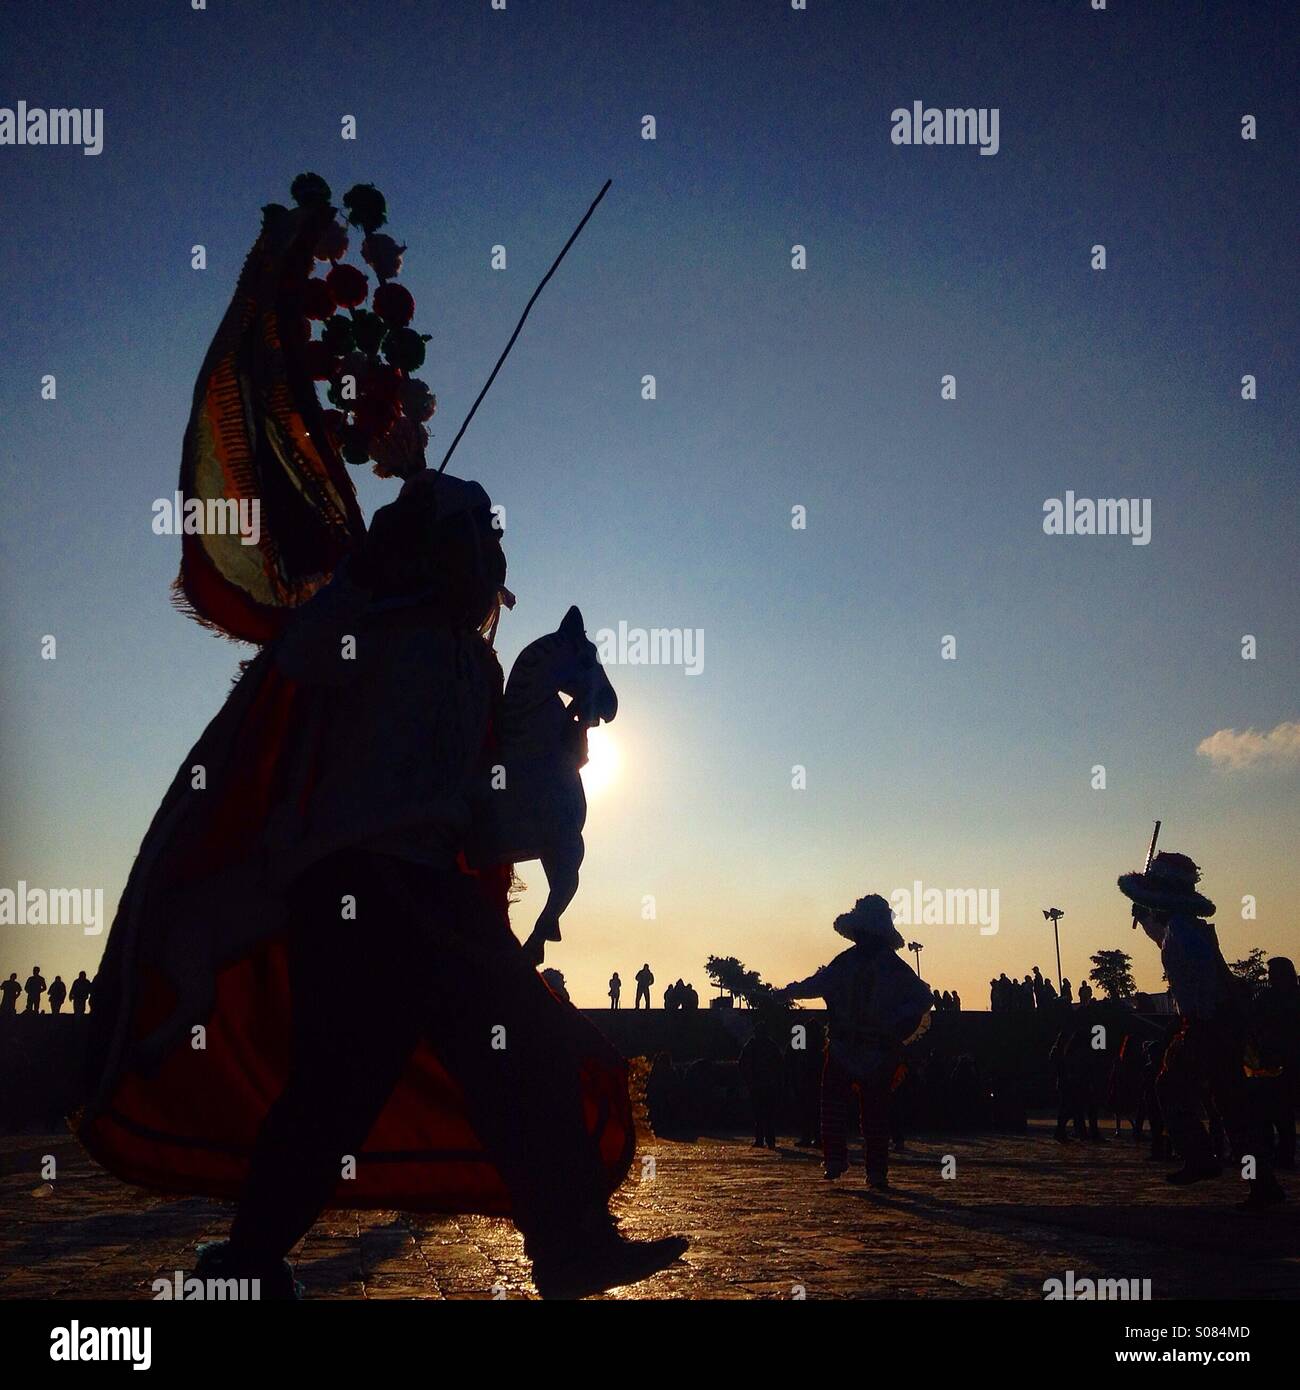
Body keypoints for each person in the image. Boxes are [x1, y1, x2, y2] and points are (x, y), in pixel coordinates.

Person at [77, 183, 685, 1300]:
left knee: (519, 1062)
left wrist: (538, 777)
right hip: (355, 885)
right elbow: (299, 662)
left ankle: (566, 1245)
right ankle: (251, 1261)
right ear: (431, 547)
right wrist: (360, 579)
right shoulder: (369, 624)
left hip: (440, 889)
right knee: (339, 1088)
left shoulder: (474, 660)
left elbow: (482, 793)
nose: (484, 555)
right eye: (468, 535)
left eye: (485, 539)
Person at [1119, 850, 1284, 1209]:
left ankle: (1201, 1157)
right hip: (1215, 1024)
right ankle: (1261, 1183)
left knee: (1171, 1085)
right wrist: (1147, 919)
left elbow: (1205, 981)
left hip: (1207, 1024)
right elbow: (1164, 940)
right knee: (1231, 1104)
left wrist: (1198, 1025)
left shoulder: (1185, 932)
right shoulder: (1185, 927)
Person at [780, 895, 933, 1189]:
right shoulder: (852, 962)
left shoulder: (889, 967)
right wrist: (789, 992)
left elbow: (923, 998)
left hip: (874, 1049)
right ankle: (839, 1159)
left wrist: (893, 1022)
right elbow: (817, 983)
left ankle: (874, 1169)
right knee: (835, 1104)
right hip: (846, 1045)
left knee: (872, 1111)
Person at [1248, 956, 1299, 1170]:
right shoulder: (1270, 997)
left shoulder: (1271, 998)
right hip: (1274, 1059)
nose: (1271, 978)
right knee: (1275, 1112)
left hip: (1281, 1060)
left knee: (1277, 1112)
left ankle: (1279, 1154)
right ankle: (1280, 1154)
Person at [738, 1021, 784, 1149]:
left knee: (760, 1114)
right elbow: (780, 1064)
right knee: (768, 1114)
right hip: (767, 1085)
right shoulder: (771, 1046)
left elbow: (742, 1064)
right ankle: (769, 1140)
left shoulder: (751, 1045)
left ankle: (761, 1139)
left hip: (758, 1085)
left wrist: (749, 1080)